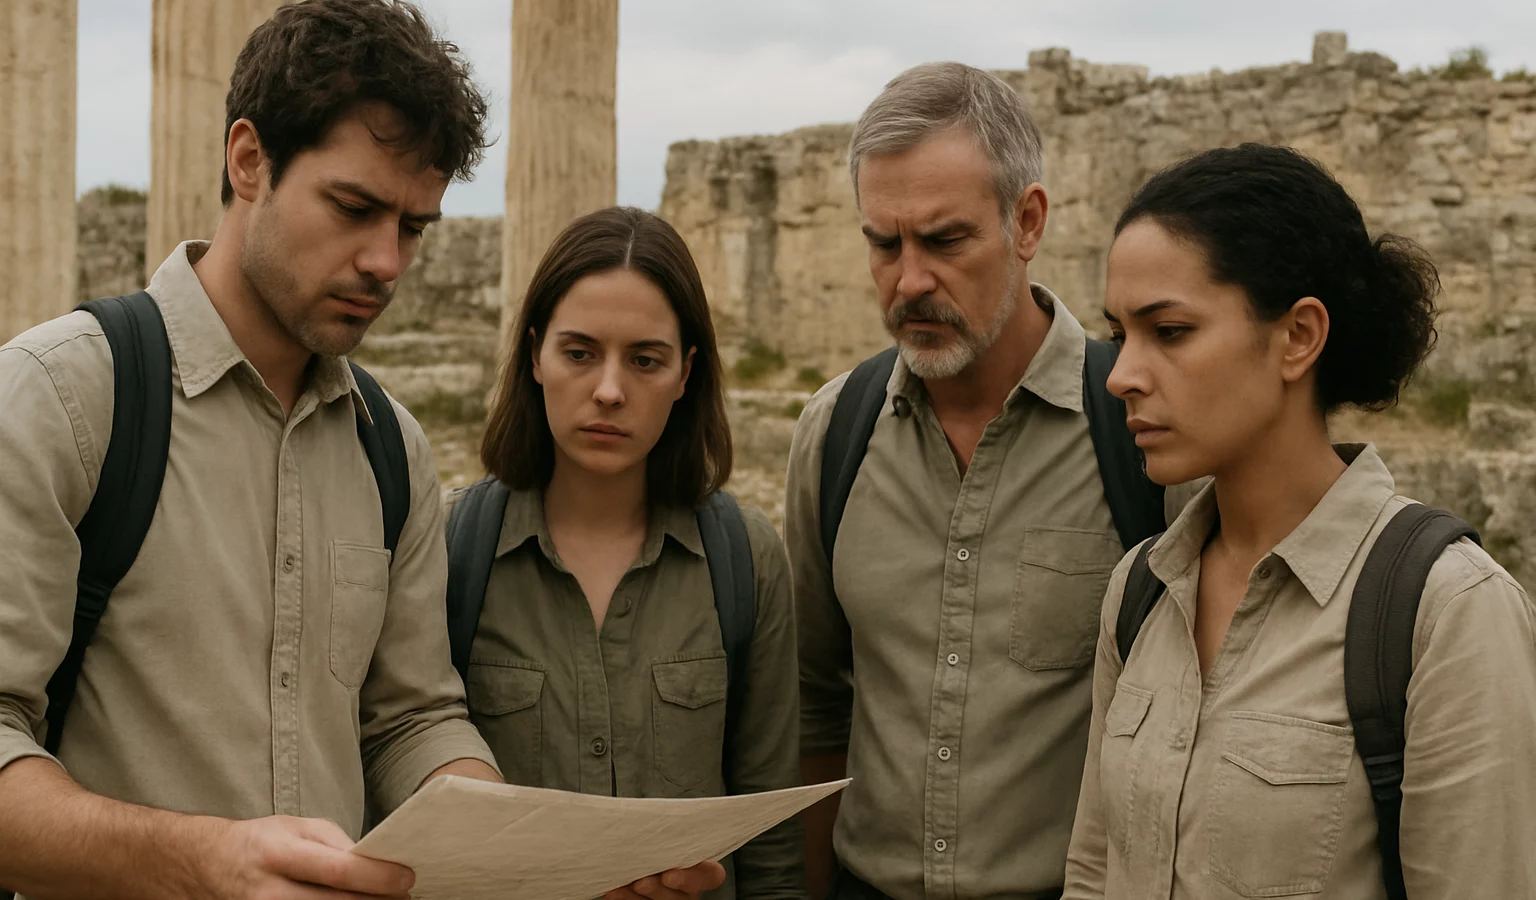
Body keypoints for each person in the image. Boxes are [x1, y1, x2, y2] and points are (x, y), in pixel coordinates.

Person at [0, 3, 722, 899]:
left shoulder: (391, 449)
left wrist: (542, 859)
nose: (387, 261)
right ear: (249, 160)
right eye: (354, 207)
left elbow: (410, 721)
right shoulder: (60, 398)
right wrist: (198, 862)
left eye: (414, 227)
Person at [1063, 143, 1536, 899]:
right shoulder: (1140, 588)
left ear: (1298, 337)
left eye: (1170, 331)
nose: (1120, 375)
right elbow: (1094, 871)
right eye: (1120, 335)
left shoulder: (1448, 612)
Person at [786, 62, 1182, 900]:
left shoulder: (1141, 433)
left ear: (1026, 221)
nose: (910, 281)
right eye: (883, 244)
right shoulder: (833, 432)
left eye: (944, 241)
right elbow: (816, 702)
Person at [445, 206, 804, 900]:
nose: (609, 391)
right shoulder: (451, 550)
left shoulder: (745, 558)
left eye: (645, 360)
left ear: (686, 373)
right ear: (535, 356)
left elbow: (771, 844)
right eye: (580, 353)